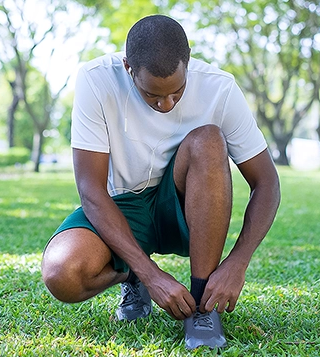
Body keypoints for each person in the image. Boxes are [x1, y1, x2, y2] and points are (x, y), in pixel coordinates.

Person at [41, 14, 280, 350]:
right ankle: (132, 275)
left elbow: (267, 182)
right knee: (61, 275)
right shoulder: (96, 81)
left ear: (189, 60)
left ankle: (202, 307)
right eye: (152, 94)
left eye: (177, 91)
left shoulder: (220, 87)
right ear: (128, 68)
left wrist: (238, 262)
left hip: (185, 206)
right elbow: (92, 192)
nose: (166, 104)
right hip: (121, 208)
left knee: (210, 140)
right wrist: (150, 274)